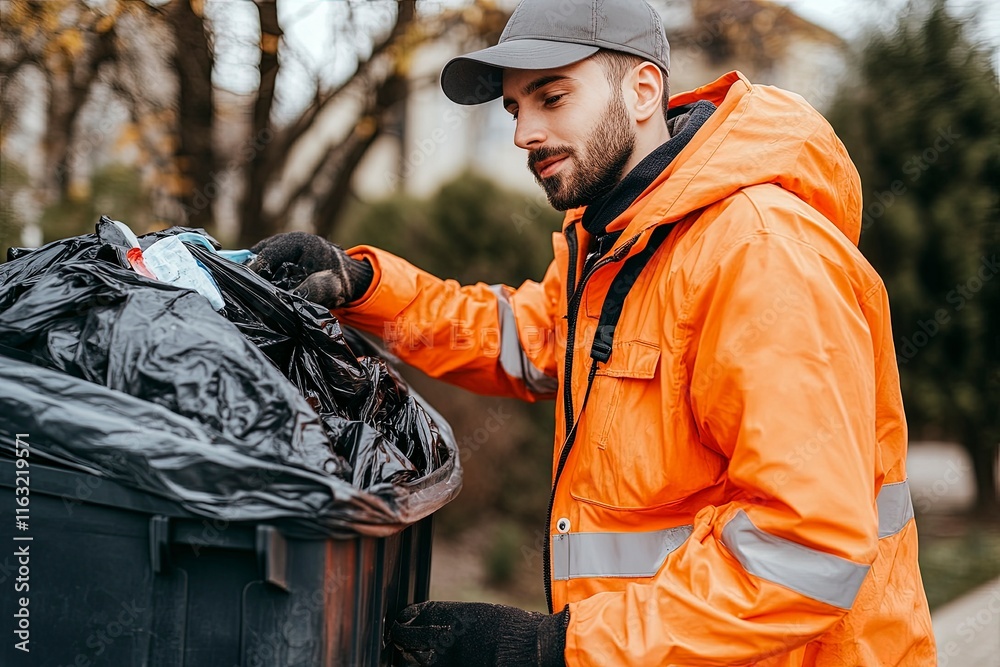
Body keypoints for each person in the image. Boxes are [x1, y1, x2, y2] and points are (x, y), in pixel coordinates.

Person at [248, 0, 937, 664]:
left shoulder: (760, 253)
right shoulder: (621, 243)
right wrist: (364, 285)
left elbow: (807, 548)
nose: (523, 134)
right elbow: (528, 338)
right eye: (515, 108)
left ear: (642, 91)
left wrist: (554, 647)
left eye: (552, 97)